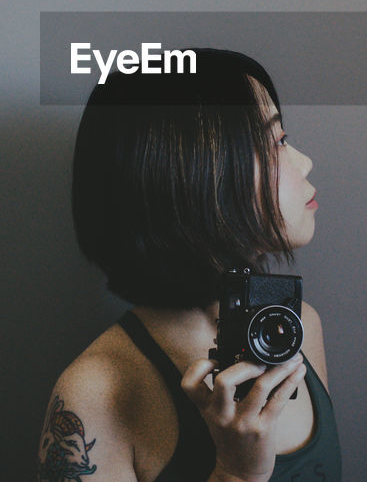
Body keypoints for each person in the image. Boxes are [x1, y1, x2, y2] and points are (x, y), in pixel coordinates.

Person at [37, 49, 340, 482]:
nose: (304, 162)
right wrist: (235, 473)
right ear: (197, 174)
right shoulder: (97, 392)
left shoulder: (297, 329)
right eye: (276, 142)